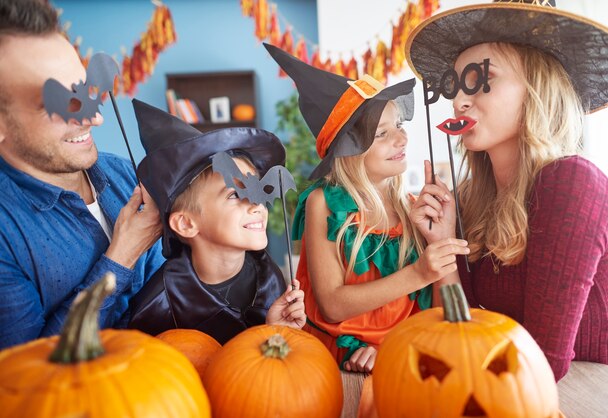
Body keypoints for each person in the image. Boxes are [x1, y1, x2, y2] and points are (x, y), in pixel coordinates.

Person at [407, 0, 608, 381]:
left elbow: (543, 363)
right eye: (455, 84)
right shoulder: (471, 200)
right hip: (500, 384)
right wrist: (442, 243)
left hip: (572, 394)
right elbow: (467, 330)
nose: (459, 100)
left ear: (535, 88)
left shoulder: (574, 184)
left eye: (479, 79)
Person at [264, 43, 469, 373]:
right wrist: (419, 272)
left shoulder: (412, 208)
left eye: (399, 126)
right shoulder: (325, 204)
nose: (401, 140)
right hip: (339, 361)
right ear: (349, 152)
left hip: (404, 352)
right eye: (382, 134)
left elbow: (453, 316)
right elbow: (332, 305)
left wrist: (441, 242)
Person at [0, 0, 165, 349]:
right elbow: (27, 376)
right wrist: (121, 257)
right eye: (59, 103)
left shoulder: (126, 173)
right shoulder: (6, 232)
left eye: (86, 90)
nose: (93, 118)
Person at [126, 100, 306, 344]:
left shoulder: (268, 277)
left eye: (256, 189)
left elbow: (264, 369)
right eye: (234, 194)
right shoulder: (160, 303)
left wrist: (276, 331)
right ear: (186, 224)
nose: (256, 205)